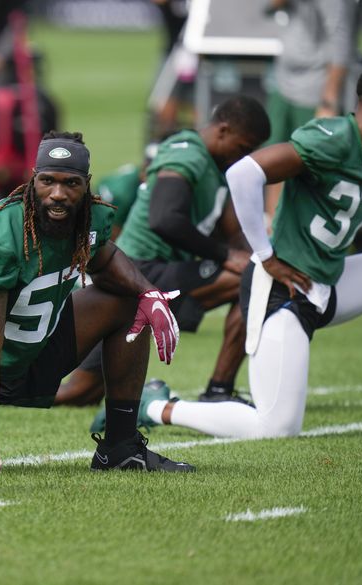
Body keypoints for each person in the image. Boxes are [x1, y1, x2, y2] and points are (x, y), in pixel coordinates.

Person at [0, 131, 192, 477]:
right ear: (33, 179)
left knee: (130, 302)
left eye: (70, 183)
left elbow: (105, 259)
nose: (58, 194)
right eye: (47, 181)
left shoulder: (89, 217)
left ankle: (120, 446)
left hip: (36, 347)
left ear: (86, 185)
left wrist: (149, 293)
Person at [139, 63, 362, 437]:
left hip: (328, 281)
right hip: (285, 291)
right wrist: (265, 255)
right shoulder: (332, 138)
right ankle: (154, 406)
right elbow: (243, 174)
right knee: (277, 426)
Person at [84, 96, 271, 428]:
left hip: (161, 271)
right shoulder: (188, 152)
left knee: (259, 271)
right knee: (80, 392)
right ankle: (216, 391)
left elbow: (232, 233)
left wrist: (260, 251)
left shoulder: (217, 164)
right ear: (223, 130)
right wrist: (229, 257)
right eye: (243, 147)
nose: (243, 156)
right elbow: (165, 220)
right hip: (139, 271)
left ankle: (218, 388)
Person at [53, 142, 157, 407]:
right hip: (86, 263)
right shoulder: (119, 190)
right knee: (79, 391)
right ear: (144, 169)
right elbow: (107, 243)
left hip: (126, 271)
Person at [263, 0, 359, 219]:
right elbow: (269, 6)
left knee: (309, 164)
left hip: (314, 86)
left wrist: (330, 98)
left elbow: (340, 37)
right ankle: (271, 230)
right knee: (272, 158)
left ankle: (305, 231)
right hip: (283, 80)